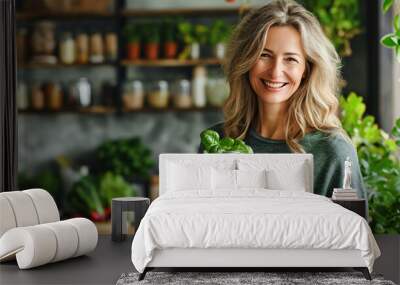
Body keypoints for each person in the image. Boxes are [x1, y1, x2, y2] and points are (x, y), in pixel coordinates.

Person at [199, 0, 367, 202]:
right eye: (264, 55)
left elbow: (353, 232)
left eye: (290, 59)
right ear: (246, 62)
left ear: (307, 69)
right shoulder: (218, 142)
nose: (275, 71)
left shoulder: (333, 153)